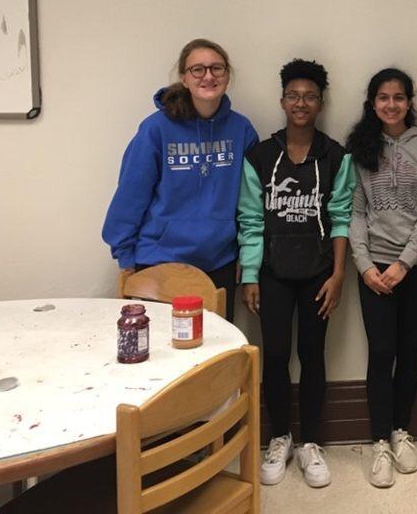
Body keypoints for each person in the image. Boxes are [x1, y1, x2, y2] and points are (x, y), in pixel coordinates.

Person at [238, 58, 355, 489]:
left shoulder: (336, 156)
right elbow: (251, 218)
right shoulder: (260, 155)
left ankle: (311, 442)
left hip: (318, 274)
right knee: (274, 354)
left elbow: (341, 218)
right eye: (293, 96)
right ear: (282, 101)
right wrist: (250, 275)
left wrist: (338, 275)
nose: (300, 103)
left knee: (312, 353)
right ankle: (280, 437)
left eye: (309, 97)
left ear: (320, 103)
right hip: (272, 273)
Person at [102, 39, 258, 321]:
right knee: (161, 346)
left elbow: (250, 204)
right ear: (184, 78)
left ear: (227, 75)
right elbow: (131, 194)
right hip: (159, 261)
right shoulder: (156, 129)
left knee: (216, 347)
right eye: (198, 69)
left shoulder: (242, 130)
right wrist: (126, 256)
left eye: (217, 68)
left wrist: (247, 260)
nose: (208, 76)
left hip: (219, 263)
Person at [346, 68, 417, 488]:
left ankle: (401, 430)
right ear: (372, 103)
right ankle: (379, 441)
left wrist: (404, 263)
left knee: (409, 347)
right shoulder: (359, 148)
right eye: (383, 98)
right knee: (381, 351)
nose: (391, 105)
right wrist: (365, 265)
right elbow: (354, 212)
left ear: (409, 102)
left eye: (398, 97)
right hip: (373, 267)